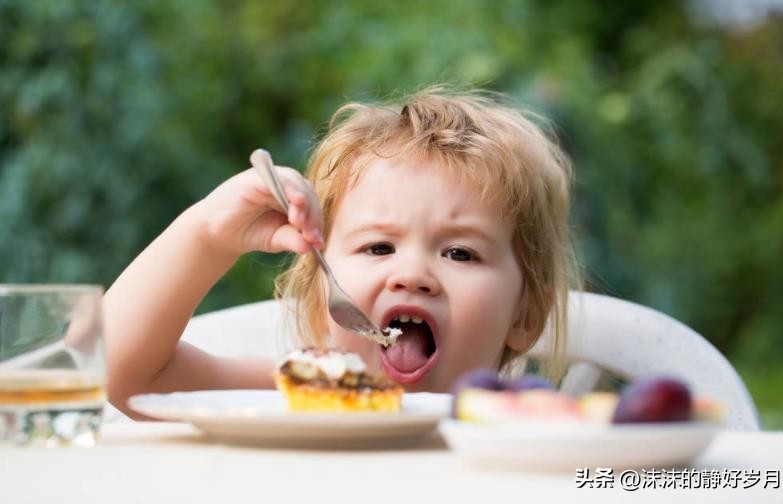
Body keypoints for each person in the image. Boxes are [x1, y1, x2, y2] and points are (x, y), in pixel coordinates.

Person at [104, 86, 580, 418]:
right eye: (379, 246)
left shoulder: (528, 430)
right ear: (319, 300)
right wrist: (206, 235)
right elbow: (119, 373)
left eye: (459, 253)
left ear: (526, 313)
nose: (412, 275)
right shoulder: (298, 398)